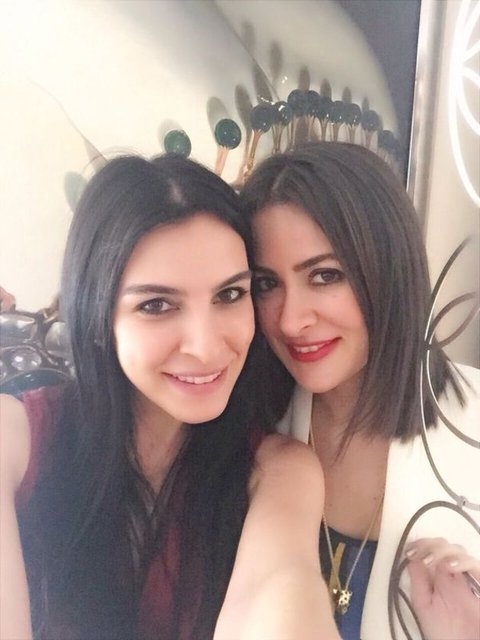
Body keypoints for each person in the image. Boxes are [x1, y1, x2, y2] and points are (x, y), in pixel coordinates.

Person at [0, 154, 340, 640]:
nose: (206, 348)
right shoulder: (16, 440)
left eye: (229, 295)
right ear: (97, 316)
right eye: (157, 305)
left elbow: (281, 589)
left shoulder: (278, 470)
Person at [241, 142, 480, 640]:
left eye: (325, 276)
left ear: (389, 270)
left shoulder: (471, 429)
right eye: (266, 284)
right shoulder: (250, 429)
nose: (291, 320)